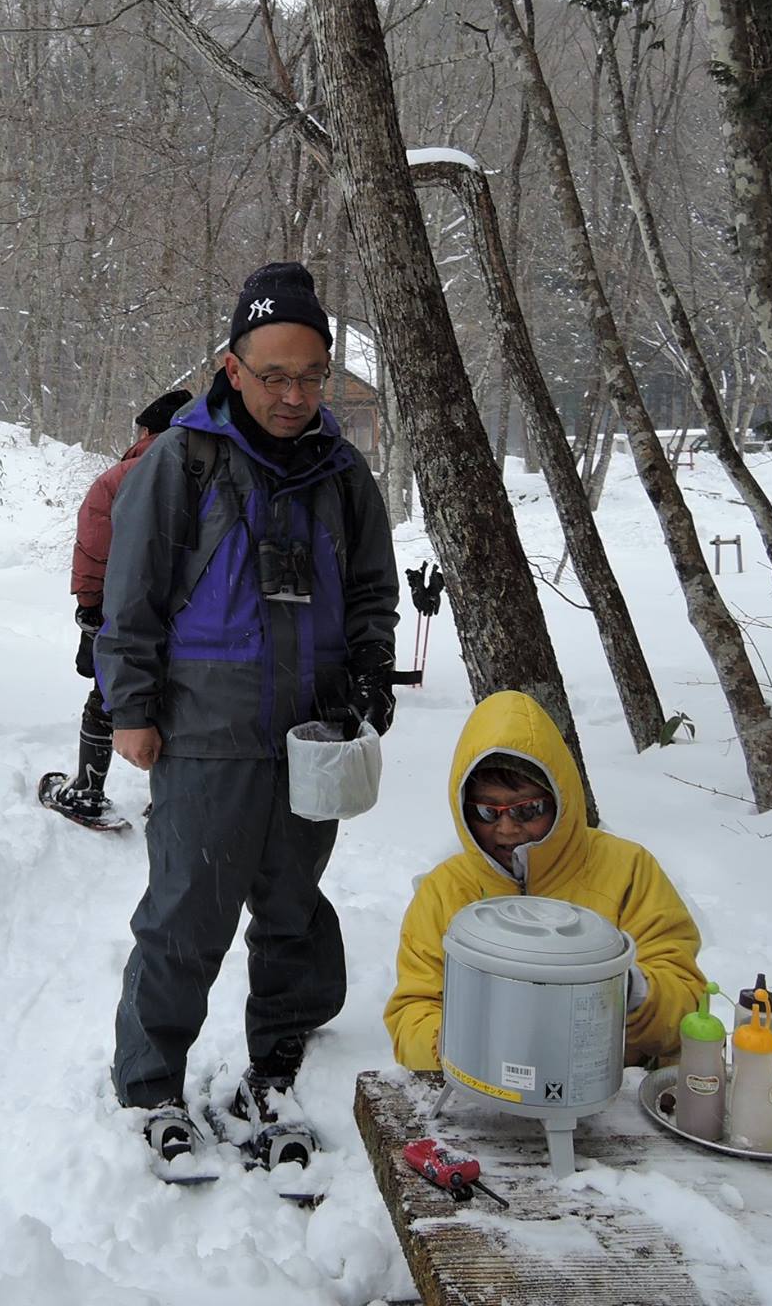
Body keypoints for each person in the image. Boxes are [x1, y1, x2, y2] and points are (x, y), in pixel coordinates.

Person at [97, 260, 399, 1160]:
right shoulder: (180, 461)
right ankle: (150, 1081)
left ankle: (280, 1062)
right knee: (187, 913)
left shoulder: (342, 471)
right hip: (206, 733)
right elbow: (131, 597)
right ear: (232, 367)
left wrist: (371, 673)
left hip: (312, 735)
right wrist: (131, 708)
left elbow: (373, 590)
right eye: (274, 377)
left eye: (312, 376)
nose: (294, 396)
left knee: (293, 908)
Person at [384, 690, 706, 1073]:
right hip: (480, 1089)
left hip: (612, 1086)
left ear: (560, 800)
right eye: (487, 811)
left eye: (528, 809)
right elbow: (413, 1012)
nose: (507, 829)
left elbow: (686, 1006)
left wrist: (629, 990)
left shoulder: (628, 870)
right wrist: (454, 1046)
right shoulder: (445, 891)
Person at [37, 387, 192, 827]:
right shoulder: (215, 470)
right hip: (195, 615)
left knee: (110, 695)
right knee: (181, 699)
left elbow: (94, 547)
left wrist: (90, 608)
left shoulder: (123, 476)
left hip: (126, 610)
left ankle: (87, 792)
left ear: (146, 431)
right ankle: (173, 801)